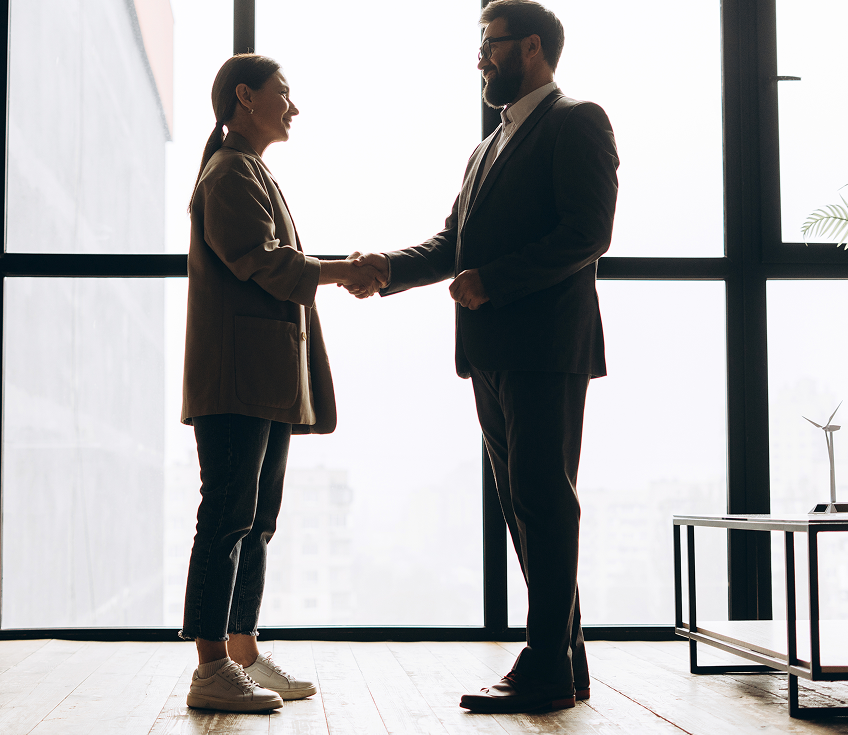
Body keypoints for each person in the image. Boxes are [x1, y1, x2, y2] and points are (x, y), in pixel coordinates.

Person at [350, 0, 619, 714]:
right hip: (493, 352)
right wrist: (386, 267)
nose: (480, 60)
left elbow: (589, 232)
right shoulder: (486, 147)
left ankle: (543, 667)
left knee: (543, 500)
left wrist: (492, 281)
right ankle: (566, 662)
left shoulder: (576, 120)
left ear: (531, 47)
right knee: (523, 503)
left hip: (545, 348)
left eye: (489, 45)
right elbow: (450, 247)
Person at [180, 54, 384, 713]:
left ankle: (241, 651)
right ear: (245, 97)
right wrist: (340, 271)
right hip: (237, 379)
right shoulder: (231, 170)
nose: (292, 107)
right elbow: (262, 263)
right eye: (283, 94)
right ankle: (212, 665)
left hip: (262, 381)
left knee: (255, 521)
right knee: (227, 516)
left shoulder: (248, 168)